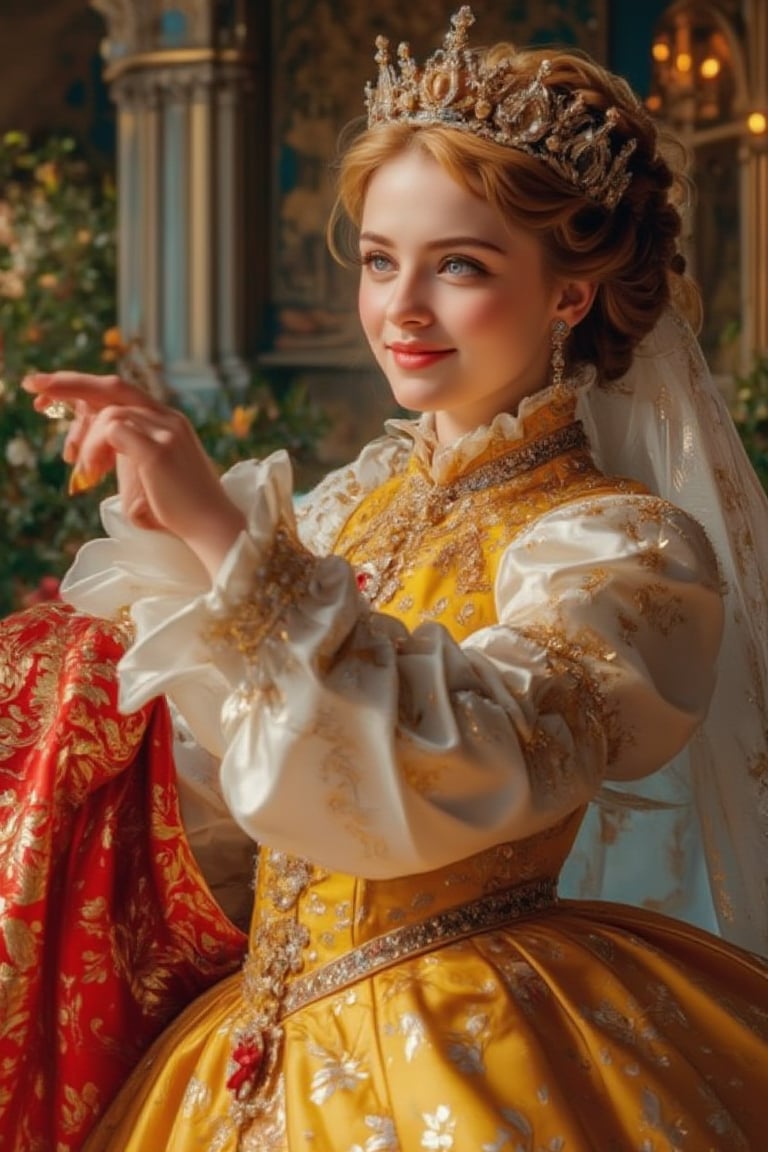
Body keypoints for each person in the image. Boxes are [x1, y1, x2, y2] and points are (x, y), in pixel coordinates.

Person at [14, 6, 768, 1148]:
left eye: (458, 265)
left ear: (571, 293)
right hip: (243, 1056)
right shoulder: (342, 508)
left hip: (475, 1051)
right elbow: (238, 792)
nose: (400, 310)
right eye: (378, 261)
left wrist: (227, 545)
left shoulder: (626, 553)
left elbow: (450, 766)